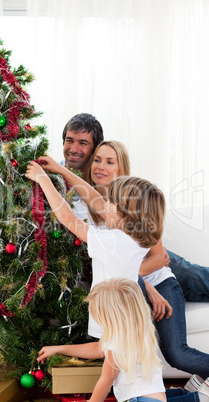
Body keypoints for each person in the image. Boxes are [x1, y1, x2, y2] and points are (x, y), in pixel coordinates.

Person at [35, 142, 209, 379]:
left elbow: (66, 216)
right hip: (134, 288)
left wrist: (42, 178)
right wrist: (61, 170)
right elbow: (96, 200)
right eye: (98, 159)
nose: (102, 205)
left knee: (177, 353)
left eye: (109, 204)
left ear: (123, 213)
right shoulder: (132, 231)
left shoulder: (113, 240)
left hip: (156, 283)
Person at [60, 114, 209, 303]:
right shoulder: (74, 194)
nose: (74, 149)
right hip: (126, 269)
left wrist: (136, 268)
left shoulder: (130, 194)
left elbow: (156, 253)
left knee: (196, 278)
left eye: (83, 143)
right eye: (69, 141)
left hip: (146, 261)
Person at [37, 278, 209, 402]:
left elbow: (105, 383)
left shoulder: (117, 345)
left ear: (111, 317)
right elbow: (98, 348)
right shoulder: (139, 332)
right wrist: (59, 348)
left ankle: (197, 397)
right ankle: (193, 394)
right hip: (156, 396)